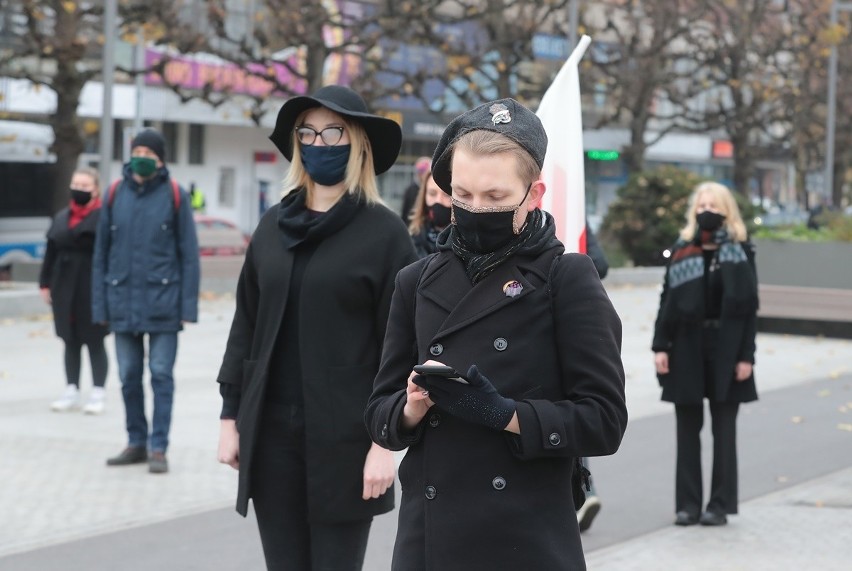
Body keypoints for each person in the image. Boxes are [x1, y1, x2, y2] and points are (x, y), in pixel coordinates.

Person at [365, 98, 627, 569]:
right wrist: (411, 406)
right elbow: (378, 413)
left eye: (495, 198)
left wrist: (504, 414)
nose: (474, 209)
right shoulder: (415, 281)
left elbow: (604, 421)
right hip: (429, 538)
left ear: (535, 194)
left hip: (525, 538)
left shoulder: (567, 279)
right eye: (461, 196)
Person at [215, 85, 417, 570]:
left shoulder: (384, 235)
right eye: (308, 132)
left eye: (333, 131)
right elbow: (246, 323)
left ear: (358, 143)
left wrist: (384, 445)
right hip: (271, 438)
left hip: (347, 440)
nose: (319, 143)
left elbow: (401, 348)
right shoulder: (271, 226)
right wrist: (230, 419)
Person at [92, 128, 200, 475]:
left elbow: (189, 257)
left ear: (160, 159)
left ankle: (158, 447)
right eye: (136, 150)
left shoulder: (174, 195)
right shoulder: (113, 195)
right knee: (127, 376)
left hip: (164, 304)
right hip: (122, 302)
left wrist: (187, 308)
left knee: (161, 375)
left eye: (149, 152)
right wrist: (100, 307)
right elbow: (100, 256)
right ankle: (135, 442)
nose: (141, 156)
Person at [652, 181, 758, 527]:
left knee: (724, 431)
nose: (705, 212)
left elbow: (748, 309)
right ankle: (688, 505)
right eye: (700, 206)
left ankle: (720, 504)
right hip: (686, 348)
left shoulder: (742, 251)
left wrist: (747, 356)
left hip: (727, 349)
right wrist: (660, 346)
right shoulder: (683, 249)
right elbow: (667, 301)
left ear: (726, 211)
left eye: (713, 206)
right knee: (687, 429)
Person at [40, 167, 110, 414]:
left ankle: (98, 391)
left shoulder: (104, 216)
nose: (79, 190)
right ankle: (71, 389)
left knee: (94, 339)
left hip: (91, 285)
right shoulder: (61, 216)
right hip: (63, 285)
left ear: (96, 190)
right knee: (69, 339)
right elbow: (50, 252)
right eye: (76, 184)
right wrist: (44, 283)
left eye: (85, 186)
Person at [407, 170, 452, 257]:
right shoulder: (412, 239)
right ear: (424, 196)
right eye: (432, 194)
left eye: (446, 194)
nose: (438, 200)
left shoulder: (466, 244)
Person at [399, 156, 432, 223]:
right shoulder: (410, 190)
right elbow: (405, 212)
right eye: (420, 172)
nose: (422, 175)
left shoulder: (435, 188)